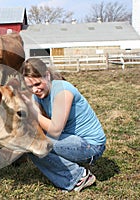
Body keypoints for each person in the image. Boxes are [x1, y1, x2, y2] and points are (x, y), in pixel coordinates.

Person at [20, 58, 106, 192]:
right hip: (71, 140)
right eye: (29, 87)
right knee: (31, 145)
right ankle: (74, 172)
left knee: (35, 144)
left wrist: (31, 111)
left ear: (47, 75)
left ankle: (78, 177)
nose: (35, 90)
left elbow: (55, 130)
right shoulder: (38, 95)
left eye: (37, 84)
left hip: (91, 146)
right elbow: (39, 124)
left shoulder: (62, 91)